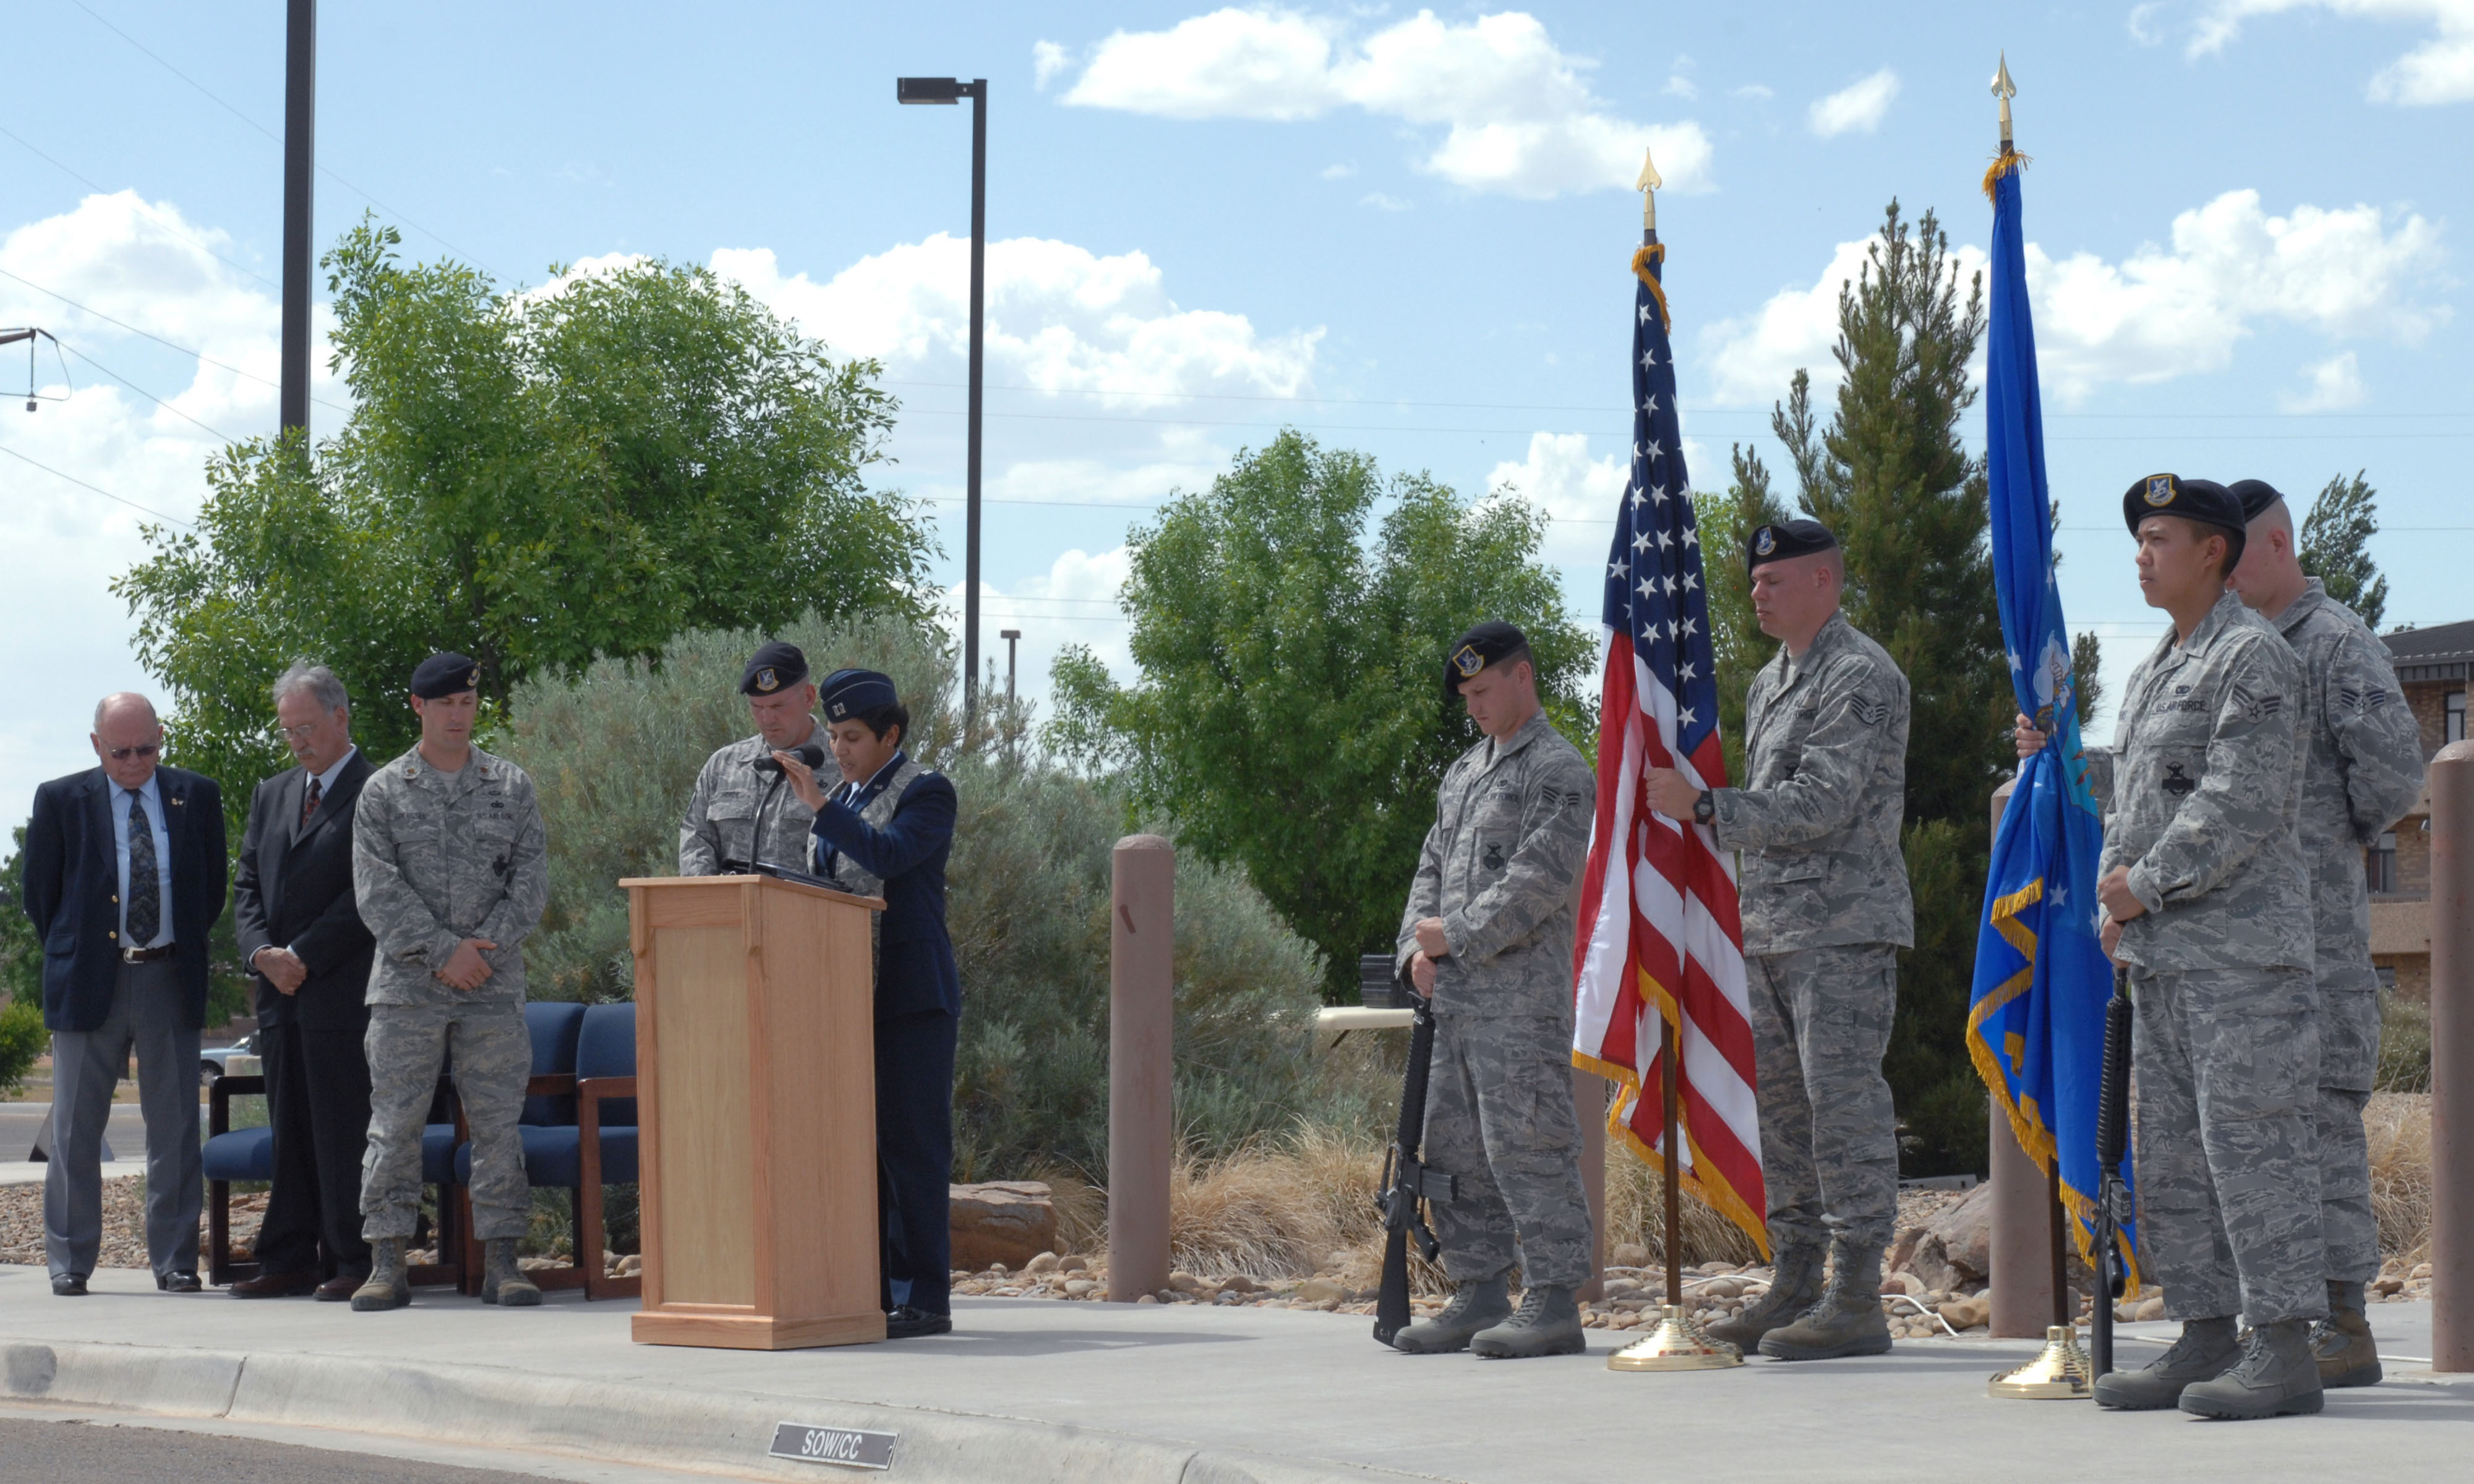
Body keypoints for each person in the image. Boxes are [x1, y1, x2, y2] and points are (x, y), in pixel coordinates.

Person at [2061, 474, 2322, 1419]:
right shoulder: (2154, 671)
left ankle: (2286, 1347)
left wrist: (2146, 883)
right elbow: (2134, 803)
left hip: (2242, 962)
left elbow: (2237, 800)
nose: (2141, 553)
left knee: (2252, 1150)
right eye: (2138, 539)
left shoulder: (2251, 658)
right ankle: (2206, 1330)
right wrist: (2112, 889)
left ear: (2214, 551)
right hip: (2165, 962)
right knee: (2172, 1157)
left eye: (2159, 538)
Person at [1642, 519, 1912, 1362]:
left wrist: (1708, 807)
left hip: (1842, 930)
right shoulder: (1769, 683)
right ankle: (1795, 1277)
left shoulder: (1860, 674)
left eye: (1775, 579)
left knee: (1843, 1110)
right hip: (1772, 931)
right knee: (1786, 1122)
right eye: (1755, 580)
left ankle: (1858, 1292)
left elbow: (1822, 799)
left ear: (1825, 581)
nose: (1757, 590)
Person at [2225, 479, 2425, 1388]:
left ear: (2276, 545)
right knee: (2252, 1129)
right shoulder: (2225, 648)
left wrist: (2312, 837)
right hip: (2236, 945)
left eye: (2232, 554)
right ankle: (2275, 1319)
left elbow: (2392, 775)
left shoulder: (2335, 641)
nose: (2219, 571)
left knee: (2321, 1127)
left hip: (2319, 943)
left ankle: (2344, 1323)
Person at [1388, 621, 1598, 1360]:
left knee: (1528, 1146)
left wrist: (1457, 935)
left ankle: (1551, 1298)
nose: (1473, 706)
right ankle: (1477, 1288)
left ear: (1521, 677)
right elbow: (1430, 868)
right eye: (1466, 696)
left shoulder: (1558, 771)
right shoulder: (1463, 773)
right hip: (1452, 1005)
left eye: (1483, 690)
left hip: (1520, 1003)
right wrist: (1416, 943)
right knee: (1454, 1149)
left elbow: (1538, 880)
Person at [348, 653, 549, 1312]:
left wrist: (480, 953)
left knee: (497, 1127)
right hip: (408, 989)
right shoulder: (383, 791)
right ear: (418, 707)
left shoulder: (511, 786)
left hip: (491, 986)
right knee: (395, 1126)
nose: (458, 715)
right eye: (445, 705)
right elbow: (377, 890)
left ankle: (503, 1262)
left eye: (467, 703)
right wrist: (443, 952)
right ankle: (386, 1261)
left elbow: (530, 882)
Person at [20, 693, 226, 1296]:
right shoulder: (60, 801)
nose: (137, 761)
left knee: (175, 1130)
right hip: (89, 980)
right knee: (75, 1131)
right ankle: (70, 1262)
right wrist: (82, 948)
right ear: (96, 747)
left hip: (168, 976)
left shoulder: (198, 795)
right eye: (122, 751)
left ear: (161, 738)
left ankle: (175, 1260)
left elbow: (208, 888)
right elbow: (42, 897)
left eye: (148, 748)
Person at [775, 668, 959, 1340]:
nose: (840, 747)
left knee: (911, 1148)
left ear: (891, 735)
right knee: (853, 1149)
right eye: (833, 734)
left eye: (853, 736)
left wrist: (823, 807)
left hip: (908, 998)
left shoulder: (928, 791)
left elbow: (887, 856)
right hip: (838, 997)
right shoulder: (845, 793)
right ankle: (867, 1290)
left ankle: (924, 1298)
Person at [228, 663, 379, 1300]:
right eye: (289, 731)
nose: (298, 742)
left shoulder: (378, 791)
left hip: (341, 992)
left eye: (308, 728)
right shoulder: (273, 792)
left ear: (342, 718)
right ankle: (287, 1257)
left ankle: (353, 1258)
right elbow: (246, 887)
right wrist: (263, 952)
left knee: (342, 1130)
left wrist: (304, 955)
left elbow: (368, 894)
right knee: (290, 1128)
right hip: (279, 996)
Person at [678, 641, 829, 876]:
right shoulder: (724, 765)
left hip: (812, 911)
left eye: (778, 706)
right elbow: (697, 838)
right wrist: (707, 898)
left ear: (809, 697)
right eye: (756, 707)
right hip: (732, 909)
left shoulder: (843, 765)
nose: (767, 719)